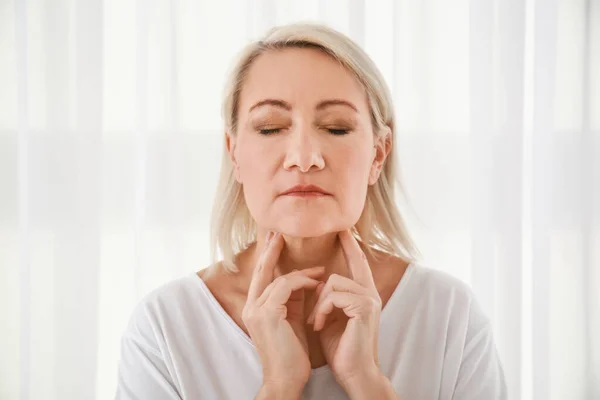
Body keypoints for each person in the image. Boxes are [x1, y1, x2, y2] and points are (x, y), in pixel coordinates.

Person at [115, 22, 507, 400]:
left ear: (378, 154)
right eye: (270, 128)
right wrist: (279, 387)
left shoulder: (448, 316)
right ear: (234, 152)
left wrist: (367, 381)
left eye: (336, 128)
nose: (304, 158)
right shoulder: (165, 327)